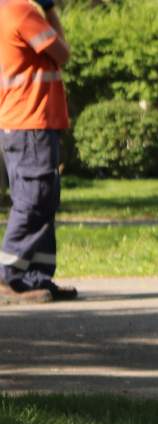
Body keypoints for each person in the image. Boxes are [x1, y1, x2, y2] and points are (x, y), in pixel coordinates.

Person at [0, 0, 75, 305]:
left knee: (42, 201)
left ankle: (35, 276)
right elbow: (63, 53)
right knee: (34, 200)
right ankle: (8, 276)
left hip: (23, 123)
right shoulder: (21, 12)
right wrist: (51, 9)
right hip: (30, 122)